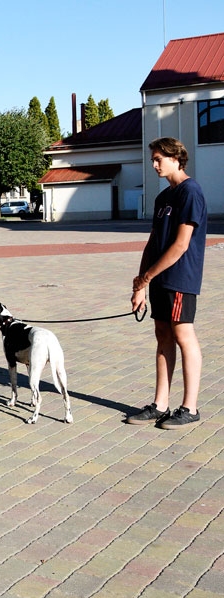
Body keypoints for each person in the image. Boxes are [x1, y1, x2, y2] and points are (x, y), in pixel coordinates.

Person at [127, 137, 207, 430]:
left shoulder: (190, 192)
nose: (154, 164)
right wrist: (140, 286)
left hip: (180, 279)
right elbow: (152, 245)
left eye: (159, 158)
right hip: (158, 280)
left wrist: (148, 276)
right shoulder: (163, 198)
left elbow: (181, 245)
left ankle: (190, 407)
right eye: (153, 159)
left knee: (183, 335)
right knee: (162, 335)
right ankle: (160, 404)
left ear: (176, 158)